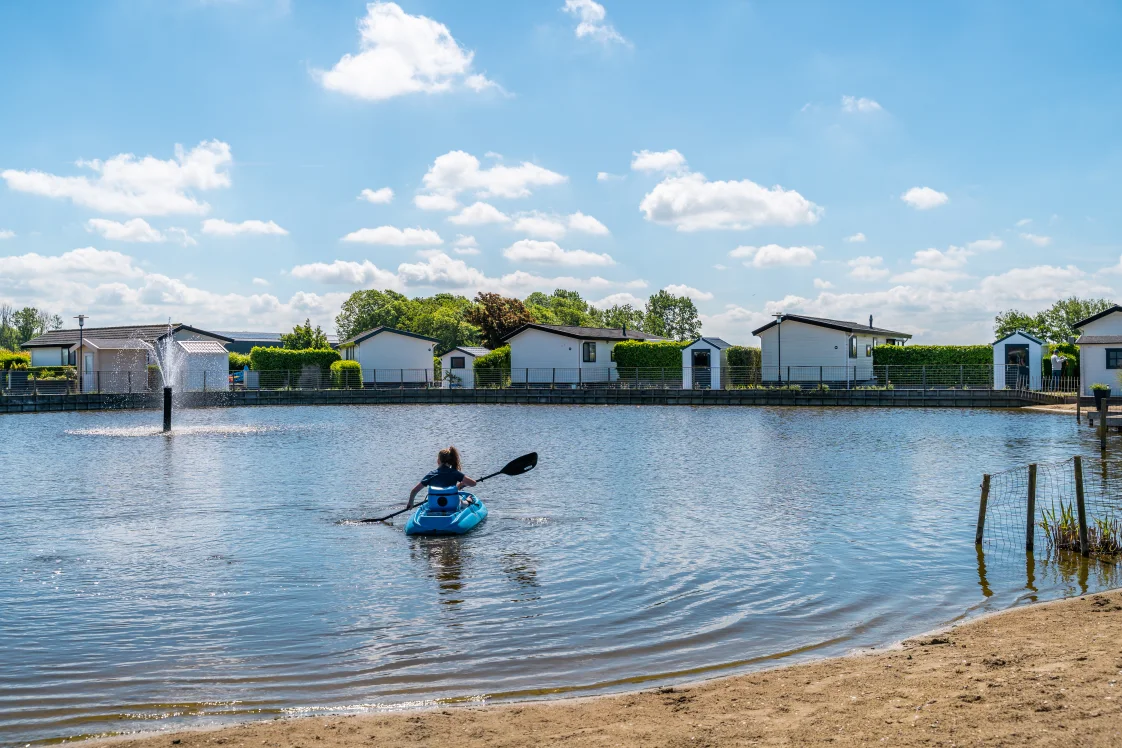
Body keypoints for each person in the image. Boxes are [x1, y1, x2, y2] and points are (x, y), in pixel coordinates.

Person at [407, 446, 477, 508]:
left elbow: (414, 491)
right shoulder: (455, 473)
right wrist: (462, 484)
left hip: (434, 505)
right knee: (463, 503)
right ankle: (468, 501)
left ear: (438, 461)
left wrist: (411, 502)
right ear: (451, 461)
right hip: (453, 505)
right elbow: (473, 483)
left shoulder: (431, 475)